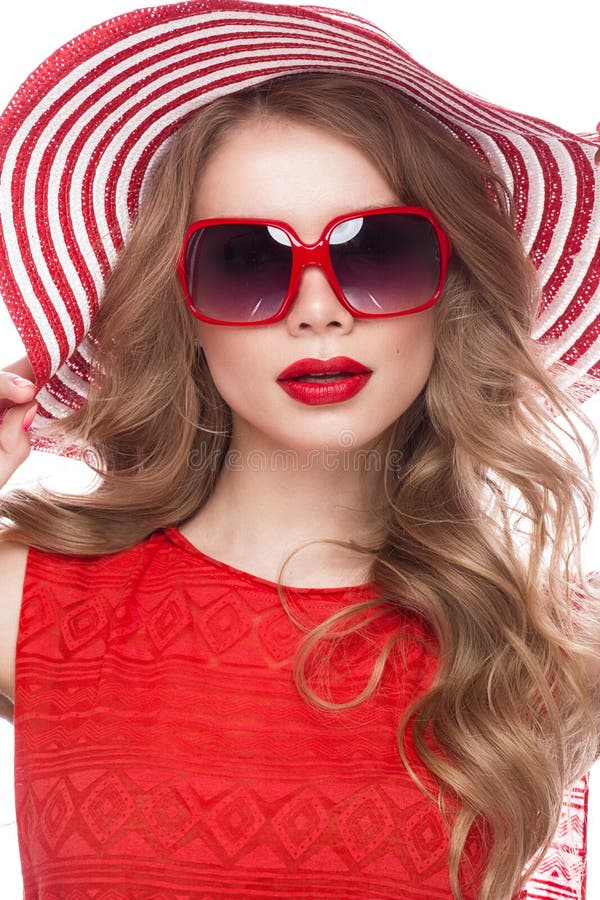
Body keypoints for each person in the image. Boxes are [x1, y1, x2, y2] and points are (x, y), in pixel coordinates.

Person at [0, 2, 598, 899]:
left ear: (451, 290)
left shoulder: (542, 657)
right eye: (245, 261)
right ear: (186, 312)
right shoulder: (29, 602)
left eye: (378, 251)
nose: (318, 307)